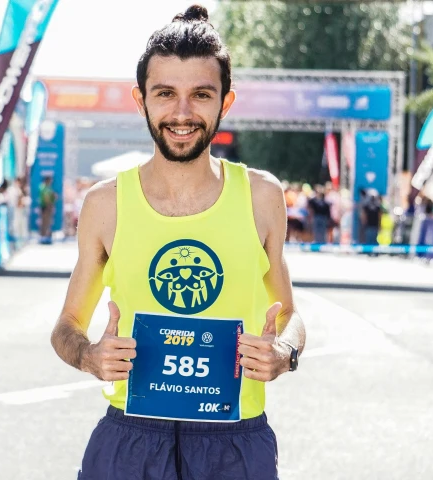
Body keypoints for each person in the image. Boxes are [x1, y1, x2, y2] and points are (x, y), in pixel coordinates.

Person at [50, 6, 305, 479]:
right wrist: (89, 356)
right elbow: (67, 325)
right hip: (131, 438)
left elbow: (289, 316)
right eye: (165, 93)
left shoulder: (261, 196)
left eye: (201, 95)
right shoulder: (106, 203)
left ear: (225, 102)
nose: (182, 113)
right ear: (141, 99)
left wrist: (284, 354)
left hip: (235, 440)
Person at [38, 175, 58, 244]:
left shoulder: (48, 187)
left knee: (47, 222)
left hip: (47, 206)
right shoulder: (44, 187)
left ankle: (46, 236)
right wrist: (49, 205)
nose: (51, 182)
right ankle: (43, 237)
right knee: (45, 222)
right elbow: (46, 197)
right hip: (46, 207)